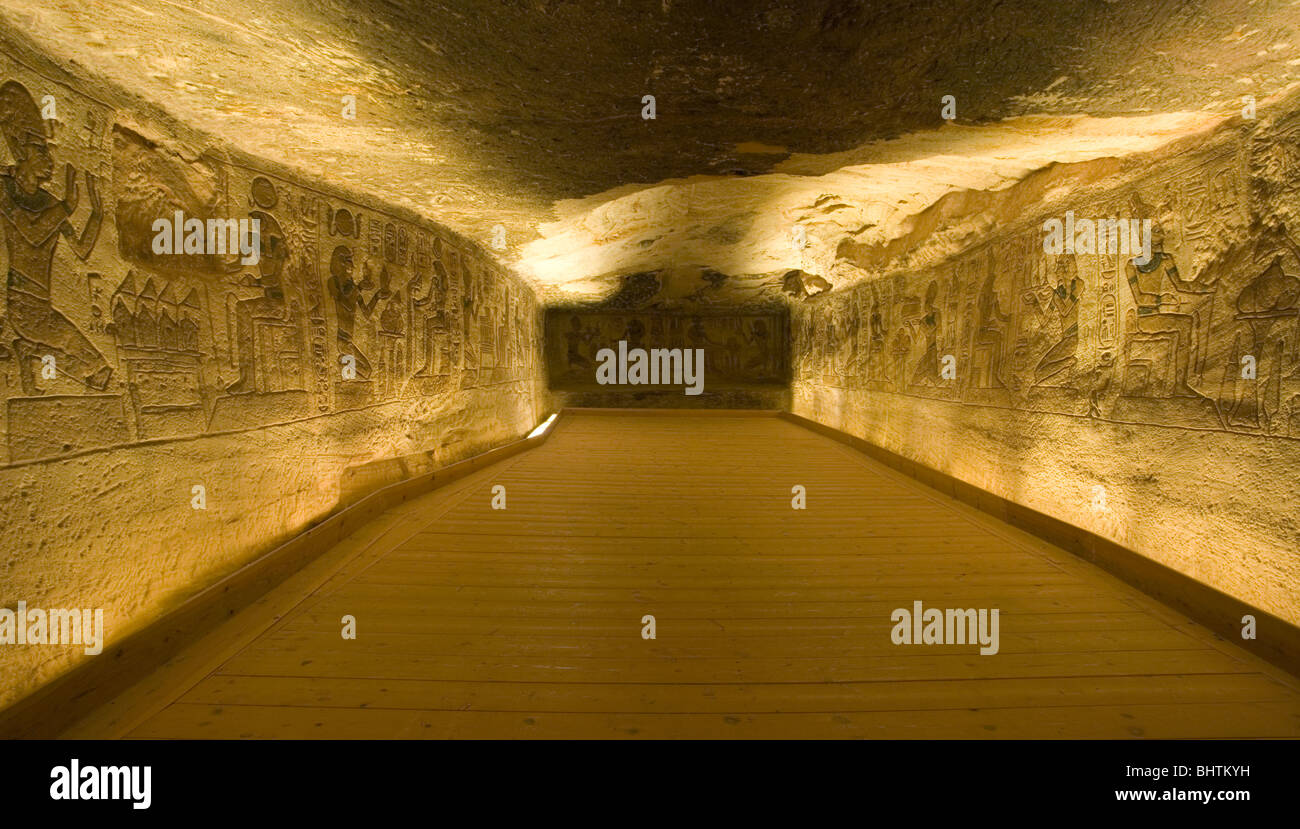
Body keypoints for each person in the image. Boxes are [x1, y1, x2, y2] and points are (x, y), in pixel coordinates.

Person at [0, 80, 108, 394]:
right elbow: (32, 233)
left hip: (42, 307)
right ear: (22, 155)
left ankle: (29, 351)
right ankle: (30, 351)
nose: (49, 160)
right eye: (40, 153)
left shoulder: (49, 202)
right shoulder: (7, 194)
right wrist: (66, 207)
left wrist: (97, 215)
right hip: (22, 304)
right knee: (97, 369)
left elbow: (82, 249)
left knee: (98, 375)